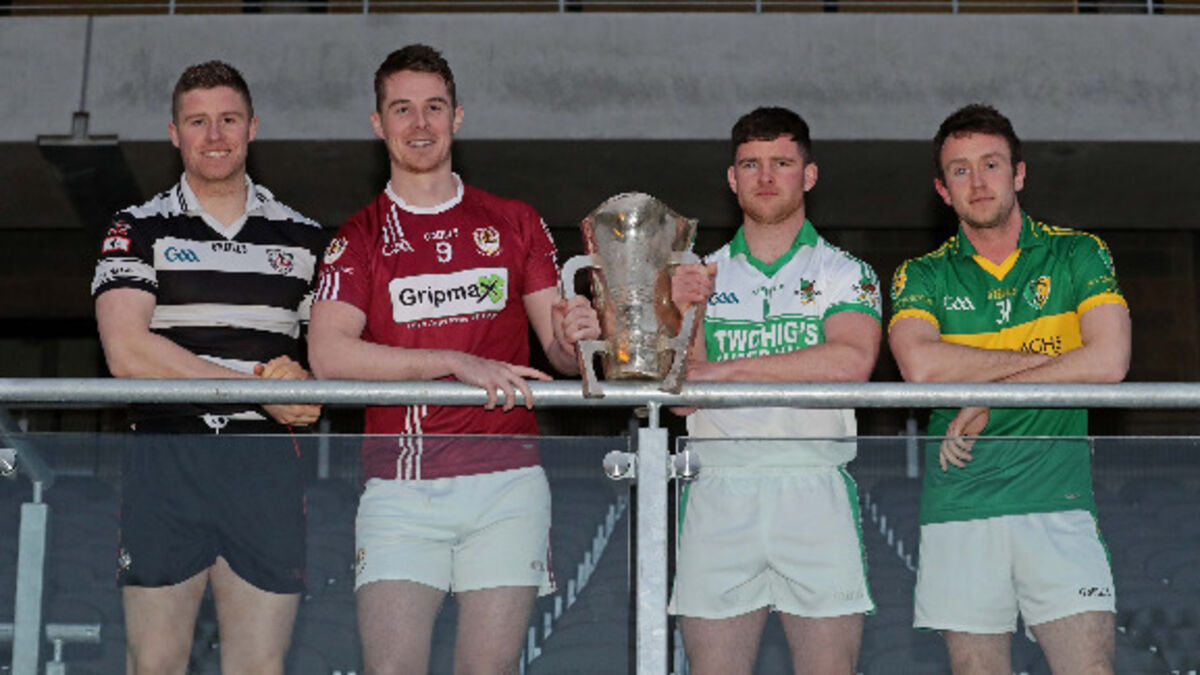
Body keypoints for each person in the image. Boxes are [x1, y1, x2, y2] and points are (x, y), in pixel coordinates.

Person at [306, 44, 598, 674]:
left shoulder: (515, 221)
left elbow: (560, 355)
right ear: (378, 123)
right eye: (402, 108)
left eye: (434, 107)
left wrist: (578, 338)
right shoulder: (358, 238)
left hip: (507, 483)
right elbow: (327, 356)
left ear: (457, 116)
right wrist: (454, 362)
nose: (420, 123)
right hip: (400, 488)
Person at [92, 61, 325, 674]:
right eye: (198, 122)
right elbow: (127, 352)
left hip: (265, 464)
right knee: (155, 664)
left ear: (253, 127)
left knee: (258, 668)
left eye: (228, 119)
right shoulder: (136, 227)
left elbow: (330, 357)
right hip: (166, 455)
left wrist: (306, 386)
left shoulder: (304, 237)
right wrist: (256, 389)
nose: (215, 135)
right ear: (175, 133)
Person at [889, 103, 1130, 674]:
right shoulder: (920, 274)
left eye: (991, 164)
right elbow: (920, 367)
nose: (977, 182)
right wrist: (1058, 364)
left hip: (1060, 504)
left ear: (1019, 174)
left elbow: (1110, 361)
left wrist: (989, 393)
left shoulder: (1078, 252)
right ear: (942, 190)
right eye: (960, 170)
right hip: (960, 507)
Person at [669, 106, 882, 674]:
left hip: (814, 485)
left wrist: (723, 374)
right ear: (732, 178)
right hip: (719, 488)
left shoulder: (846, 272)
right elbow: (683, 394)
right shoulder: (698, 276)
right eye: (751, 165)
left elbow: (850, 363)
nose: (765, 177)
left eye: (781, 163)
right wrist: (687, 313)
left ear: (808, 175)